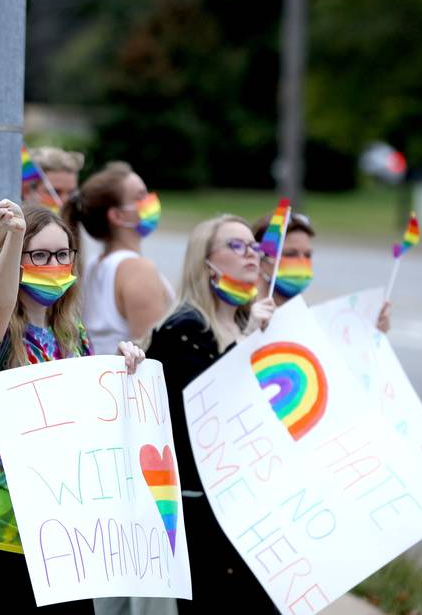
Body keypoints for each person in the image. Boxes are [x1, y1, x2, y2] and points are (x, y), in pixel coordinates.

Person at [0, 199, 145, 614]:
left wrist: (127, 372)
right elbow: (0, 304)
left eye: (62, 254)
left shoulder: (71, 334)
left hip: (66, 540)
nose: (53, 264)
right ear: (13, 261)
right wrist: (16, 233)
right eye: (39, 255)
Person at [145, 215, 277, 613]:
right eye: (236, 246)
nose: (251, 255)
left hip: (255, 506)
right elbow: (206, 416)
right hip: (205, 515)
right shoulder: (183, 330)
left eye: (253, 247)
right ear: (207, 263)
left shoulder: (249, 324)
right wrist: (250, 343)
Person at [63, 161, 174, 355]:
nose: (150, 200)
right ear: (117, 215)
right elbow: (153, 351)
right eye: (140, 196)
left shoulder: (92, 265)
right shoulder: (137, 269)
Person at [252, 212, 391, 332]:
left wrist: (372, 332)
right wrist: (251, 329)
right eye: (290, 254)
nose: (301, 262)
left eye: (307, 255)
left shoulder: (312, 319)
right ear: (261, 258)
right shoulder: (243, 316)